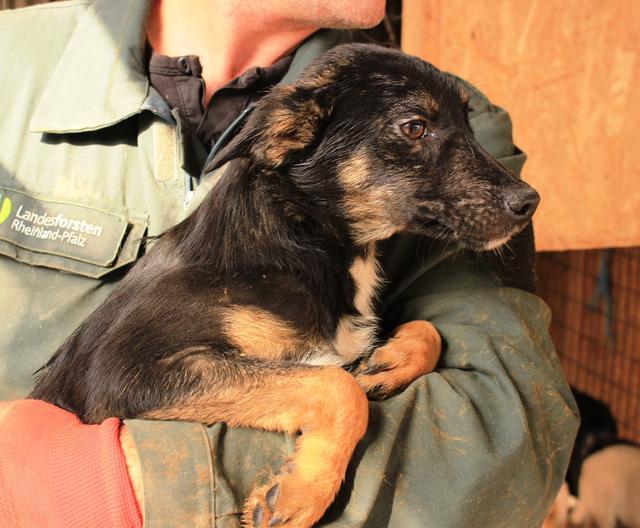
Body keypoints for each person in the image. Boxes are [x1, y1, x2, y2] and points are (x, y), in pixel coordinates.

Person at [0, 0, 579, 526]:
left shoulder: (425, 95)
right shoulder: (12, 64)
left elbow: (509, 439)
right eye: (415, 130)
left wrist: (100, 481)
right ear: (283, 139)